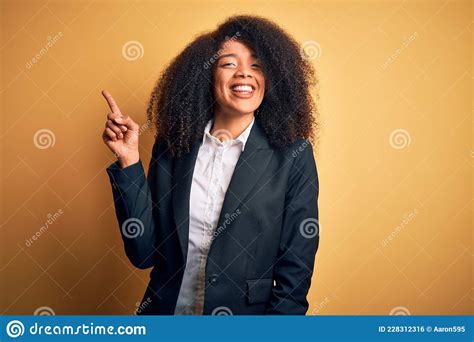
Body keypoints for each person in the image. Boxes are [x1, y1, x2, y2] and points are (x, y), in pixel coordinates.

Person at [102, 15, 320, 315]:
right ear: (206, 75)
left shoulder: (293, 155)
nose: (245, 73)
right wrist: (129, 161)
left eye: (257, 65)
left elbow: (295, 270)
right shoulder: (173, 145)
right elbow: (143, 253)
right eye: (229, 63)